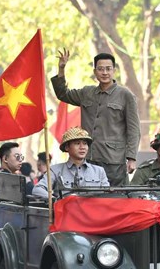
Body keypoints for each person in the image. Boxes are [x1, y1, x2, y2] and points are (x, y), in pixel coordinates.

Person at [51, 50, 141, 186]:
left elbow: (134, 129)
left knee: (115, 199)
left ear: (114, 71)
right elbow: (63, 94)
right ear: (95, 72)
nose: (104, 72)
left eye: (108, 69)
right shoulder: (87, 93)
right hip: (88, 159)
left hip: (113, 161)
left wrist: (132, 158)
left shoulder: (125, 95)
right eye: (100, 69)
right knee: (88, 199)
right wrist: (62, 68)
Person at [33, 127, 109, 198]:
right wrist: (56, 201)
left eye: (85, 143)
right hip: (66, 211)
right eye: (77, 143)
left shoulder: (99, 171)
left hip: (93, 211)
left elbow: (107, 195)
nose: (82, 147)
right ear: (67, 147)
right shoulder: (55, 170)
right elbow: (37, 190)